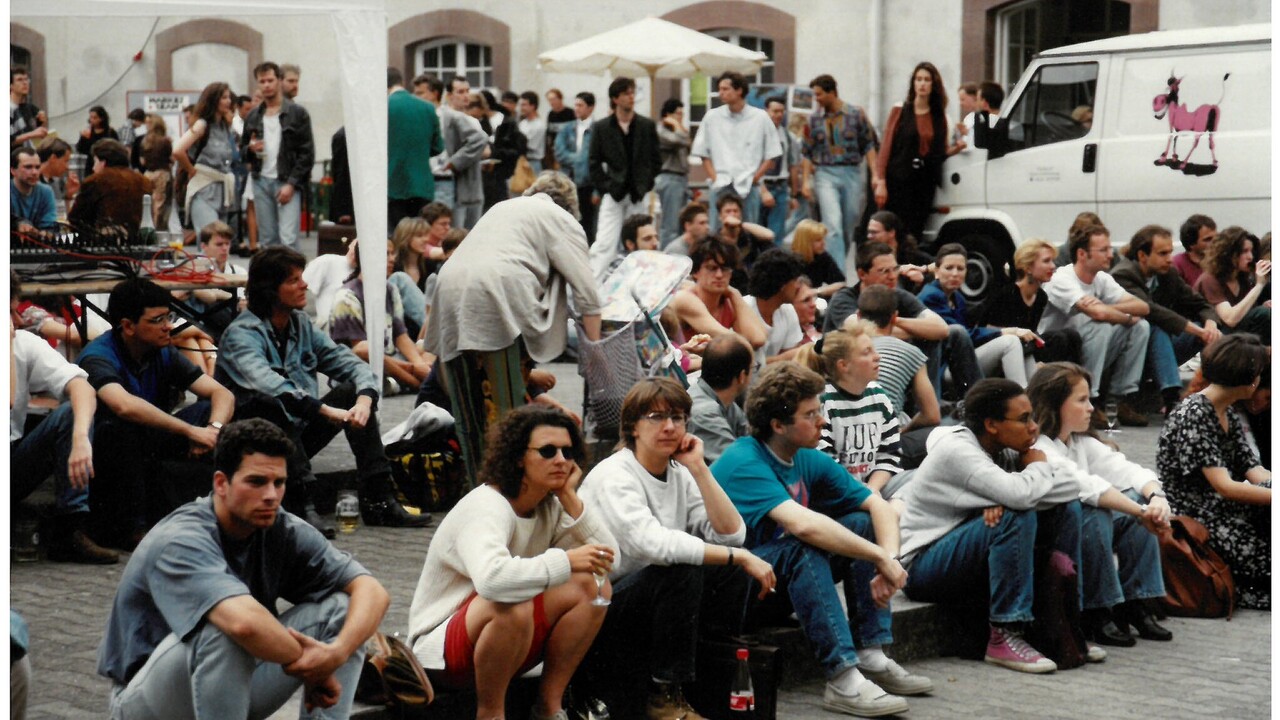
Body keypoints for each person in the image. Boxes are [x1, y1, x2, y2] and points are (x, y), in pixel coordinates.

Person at [97, 419, 391, 720]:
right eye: (256, 482)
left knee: (342, 609)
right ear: (221, 483)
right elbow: (244, 625)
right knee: (223, 631)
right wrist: (314, 666)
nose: (271, 496)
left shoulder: (280, 526)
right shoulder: (181, 539)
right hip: (146, 703)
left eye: (279, 483)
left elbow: (372, 591)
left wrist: (334, 654)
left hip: (228, 684)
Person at [711, 362, 930, 717]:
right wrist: (878, 557)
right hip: (732, 593)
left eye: (821, 411)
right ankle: (843, 678)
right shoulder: (744, 459)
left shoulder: (806, 457)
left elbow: (877, 504)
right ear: (778, 425)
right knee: (803, 547)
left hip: (773, 582)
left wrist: (889, 559)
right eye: (811, 414)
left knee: (861, 522)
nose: (823, 422)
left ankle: (870, 653)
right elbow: (804, 526)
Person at [407, 405, 618, 720]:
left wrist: (570, 497)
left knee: (593, 584)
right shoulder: (486, 506)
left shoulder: (549, 503)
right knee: (510, 601)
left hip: (507, 641)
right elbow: (492, 580)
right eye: (547, 451)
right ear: (519, 457)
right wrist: (565, 560)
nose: (561, 459)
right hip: (440, 651)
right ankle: (491, 715)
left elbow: (609, 560)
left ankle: (548, 708)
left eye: (567, 451)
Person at [581, 378, 775, 719]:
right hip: (599, 609)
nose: (669, 426)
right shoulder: (615, 475)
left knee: (730, 570)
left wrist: (699, 468)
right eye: (656, 417)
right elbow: (653, 545)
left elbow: (731, 535)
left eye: (678, 417)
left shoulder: (679, 472)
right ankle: (662, 695)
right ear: (633, 427)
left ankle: (708, 669)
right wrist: (740, 556)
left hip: (652, 600)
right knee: (682, 570)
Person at [216, 246, 429, 535]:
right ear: (269, 290)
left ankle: (379, 498)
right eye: (293, 281)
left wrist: (364, 401)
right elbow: (272, 386)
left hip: (298, 432)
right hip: (254, 439)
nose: (305, 285)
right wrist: (325, 411)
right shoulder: (241, 335)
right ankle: (300, 504)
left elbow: (348, 362)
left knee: (353, 390)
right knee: (269, 402)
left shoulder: (301, 324)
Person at [895, 379, 1085, 674]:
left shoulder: (1006, 448)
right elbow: (1020, 495)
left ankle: (1064, 622)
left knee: (1067, 509)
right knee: (1014, 514)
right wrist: (1032, 472)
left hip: (962, 546)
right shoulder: (959, 451)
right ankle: (1004, 635)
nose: (1034, 427)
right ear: (992, 425)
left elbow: (1073, 485)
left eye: (1032, 417)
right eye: (1023, 419)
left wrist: (1025, 478)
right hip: (922, 566)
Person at [425, 172, 602, 485]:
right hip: (497, 292)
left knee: (468, 412)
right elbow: (587, 294)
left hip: (449, 288)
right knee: (508, 414)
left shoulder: (503, 207)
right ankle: (510, 492)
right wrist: (596, 354)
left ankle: (478, 488)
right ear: (570, 206)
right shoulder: (561, 218)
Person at [76, 278, 236, 548]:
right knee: (120, 428)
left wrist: (213, 430)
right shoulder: (98, 356)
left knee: (213, 412)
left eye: (169, 317)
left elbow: (223, 394)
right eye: (158, 320)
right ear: (128, 326)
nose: (169, 326)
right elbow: (122, 405)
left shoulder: (162, 351)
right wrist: (189, 430)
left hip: (153, 438)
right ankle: (132, 527)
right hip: (109, 451)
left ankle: (221, 512)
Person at [1026, 362, 1174, 646]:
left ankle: (1136, 602)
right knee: (1097, 512)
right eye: (1082, 400)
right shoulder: (1040, 447)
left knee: (1135, 497)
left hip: (1078, 530)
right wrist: (1143, 512)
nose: (1091, 407)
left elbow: (1129, 471)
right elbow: (1087, 487)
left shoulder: (1079, 442)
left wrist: (1156, 498)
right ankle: (1097, 610)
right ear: (1055, 404)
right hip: (1050, 537)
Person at [1158, 334, 1271, 609]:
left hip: (1222, 506)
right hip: (1201, 515)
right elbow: (1225, 486)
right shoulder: (1195, 413)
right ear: (1248, 378)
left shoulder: (1224, 409)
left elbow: (1252, 468)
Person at [10, 276, 115, 563]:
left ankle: (71, 528)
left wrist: (80, 438)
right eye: (8, 312)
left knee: (71, 411)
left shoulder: (23, 342)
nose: (17, 321)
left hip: (12, 461)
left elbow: (80, 386)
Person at [1039, 224, 1151, 428]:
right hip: (1059, 353)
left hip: (1091, 350)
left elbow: (1142, 307)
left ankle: (1119, 399)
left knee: (1140, 327)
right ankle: (1091, 398)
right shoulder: (1061, 279)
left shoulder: (1102, 279)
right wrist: (1123, 316)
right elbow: (1098, 314)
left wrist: (1106, 307)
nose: (1111, 254)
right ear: (1082, 254)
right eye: (1104, 250)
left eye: (1110, 249)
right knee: (1101, 325)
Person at [1111, 225, 1222, 413]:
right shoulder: (1123, 274)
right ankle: (1171, 395)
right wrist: (1199, 330)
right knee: (1156, 326)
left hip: (1158, 349)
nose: (1169, 259)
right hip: (1128, 354)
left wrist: (1210, 324)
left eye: (1170, 252)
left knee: (1206, 332)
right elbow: (1152, 311)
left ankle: (1215, 391)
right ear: (1142, 256)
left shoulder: (1168, 273)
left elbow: (1200, 303)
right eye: (1162, 253)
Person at [920, 243, 1037, 387]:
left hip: (959, 361)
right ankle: (1022, 395)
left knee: (1019, 341)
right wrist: (1004, 331)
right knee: (1010, 342)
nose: (955, 273)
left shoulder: (957, 298)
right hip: (941, 370)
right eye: (949, 268)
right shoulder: (931, 296)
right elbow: (963, 336)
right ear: (937, 271)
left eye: (960, 268)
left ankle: (1034, 393)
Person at [809, 322, 904, 499]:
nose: (878, 357)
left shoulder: (878, 395)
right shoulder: (822, 403)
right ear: (843, 365)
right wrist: (865, 495)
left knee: (916, 482)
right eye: (867, 352)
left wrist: (872, 489)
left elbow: (890, 454)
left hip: (873, 487)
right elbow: (827, 465)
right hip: (839, 493)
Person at [801, 74, 881, 277]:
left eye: (819, 94)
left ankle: (834, 266)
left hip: (853, 171)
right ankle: (837, 275)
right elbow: (807, 151)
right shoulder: (814, 119)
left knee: (849, 224)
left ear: (831, 92)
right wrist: (805, 182)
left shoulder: (856, 114)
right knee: (833, 224)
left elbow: (869, 144)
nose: (816, 99)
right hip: (825, 173)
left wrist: (875, 175)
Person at [875, 62, 966, 241]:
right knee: (894, 230)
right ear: (913, 83)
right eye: (918, 79)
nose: (922, 84)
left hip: (924, 182)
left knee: (914, 233)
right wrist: (880, 181)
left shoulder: (940, 116)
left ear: (933, 84)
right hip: (898, 180)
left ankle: (909, 268)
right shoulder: (900, 110)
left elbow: (939, 152)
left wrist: (957, 148)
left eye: (926, 80)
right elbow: (886, 147)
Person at [329, 239, 433, 393]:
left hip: (393, 358)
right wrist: (413, 370)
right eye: (385, 254)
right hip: (358, 365)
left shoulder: (390, 289)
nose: (392, 259)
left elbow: (400, 336)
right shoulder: (346, 297)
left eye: (392, 254)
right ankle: (415, 383)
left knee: (430, 348)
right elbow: (359, 350)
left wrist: (419, 364)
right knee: (366, 350)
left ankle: (404, 381)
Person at [855, 286, 940, 468]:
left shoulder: (840, 347)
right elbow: (932, 415)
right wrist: (902, 430)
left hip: (843, 443)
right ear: (895, 317)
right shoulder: (910, 352)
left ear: (858, 315)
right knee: (943, 435)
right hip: (880, 450)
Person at [588, 77, 660, 281]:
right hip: (614, 193)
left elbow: (656, 160)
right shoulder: (602, 127)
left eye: (632, 93)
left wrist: (646, 184)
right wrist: (606, 187)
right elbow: (593, 162)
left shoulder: (646, 125)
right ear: (615, 98)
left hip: (639, 193)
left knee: (643, 241)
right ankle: (593, 291)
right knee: (604, 243)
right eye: (627, 93)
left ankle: (642, 283)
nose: (632, 97)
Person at [691, 71, 781, 231]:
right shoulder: (712, 117)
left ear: (739, 90)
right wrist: (715, 177)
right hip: (721, 184)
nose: (721, 93)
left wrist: (755, 178)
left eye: (726, 89)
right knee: (717, 232)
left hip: (748, 186)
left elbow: (772, 153)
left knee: (749, 231)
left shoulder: (760, 117)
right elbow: (702, 152)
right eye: (720, 89)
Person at [241, 61, 315, 251]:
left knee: (288, 240)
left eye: (270, 80)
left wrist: (292, 184)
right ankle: (272, 280)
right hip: (261, 179)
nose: (266, 85)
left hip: (286, 180)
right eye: (262, 81)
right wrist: (250, 149)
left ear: (279, 81)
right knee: (267, 241)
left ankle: (293, 278)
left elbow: (307, 153)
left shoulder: (297, 113)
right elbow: (241, 151)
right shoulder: (253, 116)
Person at [978, 238, 1083, 365]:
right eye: (1046, 261)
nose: (1053, 266)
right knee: (1058, 339)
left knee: (1071, 336)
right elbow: (989, 331)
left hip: (1025, 346)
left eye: (1052, 261)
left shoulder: (1041, 297)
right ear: (1028, 268)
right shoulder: (1007, 294)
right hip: (1002, 351)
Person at [668, 239, 768, 349]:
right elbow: (738, 342)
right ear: (696, 272)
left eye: (725, 269)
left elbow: (758, 340)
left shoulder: (730, 302)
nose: (719, 275)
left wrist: (734, 294)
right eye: (712, 268)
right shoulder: (685, 299)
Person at [173, 82, 237, 234]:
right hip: (204, 188)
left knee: (221, 239)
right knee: (210, 238)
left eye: (229, 97)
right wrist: (191, 170)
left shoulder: (225, 126)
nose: (228, 101)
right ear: (213, 100)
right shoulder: (202, 125)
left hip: (222, 190)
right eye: (224, 97)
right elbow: (178, 150)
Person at [387, 67, 444, 231]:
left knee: (396, 236)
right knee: (420, 236)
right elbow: (438, 147)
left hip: (393, 184)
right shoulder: (427, 107)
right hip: (422, 184)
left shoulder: (383, 107)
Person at [1194, 226, 1270, 343]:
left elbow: (1247, 311)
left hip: (1237, 333)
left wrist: (1263, 304)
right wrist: (1259, 285)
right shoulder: (1210, 279)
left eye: (1251, 251)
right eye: (1244, 251)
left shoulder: (1241, 278)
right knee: (1262, 315)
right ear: (1229, 254)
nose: (1250, 257)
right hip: (1216, 336)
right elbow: (1230, 318)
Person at [687, 335, 753, 464]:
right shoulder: (704, 414)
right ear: (741, 376)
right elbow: (737, 465)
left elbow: (752, 437)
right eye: (752, 368)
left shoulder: (725, 401)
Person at [68, 139, 152, 236]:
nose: (93, 168)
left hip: (106, 242)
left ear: (103, 162)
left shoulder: (96, 181)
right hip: (140, 241)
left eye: (95, 162)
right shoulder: (144, 181)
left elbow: (76, 219)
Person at [389, 211, 449, 340]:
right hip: (401, 331)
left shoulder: (430, 267)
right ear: (406, 237)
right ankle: (440, 333)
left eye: (426, 235)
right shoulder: (393, 266)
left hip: (421, 333)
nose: (426, 239)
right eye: (420, 236)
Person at [744, 247, 807, 365]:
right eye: (796, 280)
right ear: (782, 284)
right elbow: (743, 365)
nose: (799, 286)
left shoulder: (788, 311)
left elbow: (793, 361)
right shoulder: (743, 310)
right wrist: (781, 358)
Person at [554, 91, 597, 240]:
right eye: (576, 105)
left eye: (581, 105)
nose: (577, 108)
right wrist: (579, 159)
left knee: (587, 222)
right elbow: (559, 152)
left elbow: (596, 157)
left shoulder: (597, 129)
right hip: (569, 178)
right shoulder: (567, 128)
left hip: (588, 181)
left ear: (590, 108)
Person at [760, 95, 802, 243]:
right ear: (766, 111)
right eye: (775, 111)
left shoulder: (788, 136)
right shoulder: (757, 134)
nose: (778, 115)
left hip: (781, 187)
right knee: (757, 230)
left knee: (776, 233)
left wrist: (793, 194)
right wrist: (763, 191)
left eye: (781, 111)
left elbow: (793, 166)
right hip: (761, 185)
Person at [655, 98, 692, 248]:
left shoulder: (678, 130)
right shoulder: (661, 130)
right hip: (670, 177)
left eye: (682, 114)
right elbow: (680, 140)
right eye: (678, 114)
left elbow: (688, 143)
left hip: (681, 178)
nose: (680, 117)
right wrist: (677, 126)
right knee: (670, 225)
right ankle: (666, 257)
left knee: (680, 224)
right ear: (668, 115)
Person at [865, 210, 932, 291]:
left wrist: (922, 279)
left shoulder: (914, 257)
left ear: (891, 233)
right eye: (869, 232)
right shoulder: (867, 257)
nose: (869, 236)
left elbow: (939, 269)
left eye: (874, 232)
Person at [791, 219, 846, 297]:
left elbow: (841, 283)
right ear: (806, 242)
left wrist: (817, 291)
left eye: (823, 239)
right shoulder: (789, 262)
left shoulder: (822, 257)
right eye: (818, 240)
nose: (823, 243)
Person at [137, 114, 173, 229]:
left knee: (147, 204)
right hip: (162, 173)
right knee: (159, 204)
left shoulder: (144, 141)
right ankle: (158, 229)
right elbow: (171, 159)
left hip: (148, 174)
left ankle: (147, 227)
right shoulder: (165, 141)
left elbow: (142, 161)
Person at [11, 146, 57, 232]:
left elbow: (50, 226)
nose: (34, 172)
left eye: (37, 167)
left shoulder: (46, 191)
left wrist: (46, 233)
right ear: (13, 170)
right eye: (28, 167)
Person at [75, 105, 118, 181]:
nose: (92, 120)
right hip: (91, 165)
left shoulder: (110, 132)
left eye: (95, 118)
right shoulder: (88, 132)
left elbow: (116, 149)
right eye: (91, 117)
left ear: (101, 119)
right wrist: (83, 138)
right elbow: (81, 149)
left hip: (107, 165)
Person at [9, 67, 48, 150]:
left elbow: (36, 136)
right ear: (11, 86)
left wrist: (41, 124)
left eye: (26, 79)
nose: (25, 83)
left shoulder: (31, 108)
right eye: (19, 80)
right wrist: (32, 134)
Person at [1174, 213, 1216, 287]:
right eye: (1208, 239)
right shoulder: (1177, 265)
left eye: (1216, 237)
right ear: (1191, 243)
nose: (1215, 242)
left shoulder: (1220, 262)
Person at [517, 91, 547, 173]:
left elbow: (529, 146)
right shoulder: (522, 123)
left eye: (524, 105)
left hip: (533, 163)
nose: (521, 108)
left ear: (532, 106)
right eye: (520, 105)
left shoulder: (539, 125)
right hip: (521, 161)